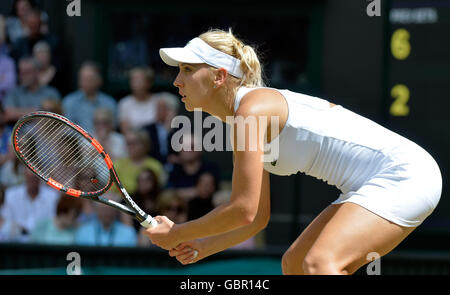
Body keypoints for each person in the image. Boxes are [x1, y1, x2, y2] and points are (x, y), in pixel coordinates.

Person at [144, 29, 442, 275]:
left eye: (187, 70)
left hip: (405, 174)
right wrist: (203, 246)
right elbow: (256, 218)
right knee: (295, 265)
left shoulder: (252, 111)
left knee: (319, 264)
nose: (176, 81)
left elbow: (241, 209)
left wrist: (178, 233)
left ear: (219, 76)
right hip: (376, 182)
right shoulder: (243, 119)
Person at [0, 167, 60, 242]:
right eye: (29, 178)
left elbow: (53, 222)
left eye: (35, 178)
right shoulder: (10, 195)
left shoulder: (52, 196)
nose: (32, 182)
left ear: (40, 178)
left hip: (43, 242)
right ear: (24, 176)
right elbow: (6, 221)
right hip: (15, 242)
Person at [62, 61, 116, 134]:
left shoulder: (109, 103)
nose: (84, 82)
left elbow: (113, 128)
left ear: (99, 81)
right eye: (82, 79)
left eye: (88, 79)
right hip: (77, 144)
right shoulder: (69, 101)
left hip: (103, 144)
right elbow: (67, 131)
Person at [3, 56, 60, 122]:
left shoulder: (51, 93)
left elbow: (57, 117)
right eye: (21, 72)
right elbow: (8, 114)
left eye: (27, 72)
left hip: (46, 131)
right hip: (19, 132)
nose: (23, 76)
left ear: (37, 72)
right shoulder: (13, 93)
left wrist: (19, 112)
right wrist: (40, 111)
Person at [167, 132, 219, 201]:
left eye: (192, 146)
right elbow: (167, 194)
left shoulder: (210, 168)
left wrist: (180, 193)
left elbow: (207, 192)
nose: (188, 149)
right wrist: (197, 191)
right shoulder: (172, 170)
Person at [114, 129, 166, 195]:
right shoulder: (118, 165)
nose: (130, 147)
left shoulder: (155, 166)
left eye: (133, 143)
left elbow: (160, 190)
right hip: (122, 203)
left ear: (144, 145)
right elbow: (112, 191)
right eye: (128, 144)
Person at [142, 93, 180, 167]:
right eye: (157, 108)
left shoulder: (181, 128)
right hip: (152, 166)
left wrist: (170, 131)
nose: (157, 111)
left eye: (161, 108)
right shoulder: (148, 129)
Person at [118, 66, 158, 134]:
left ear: (149, 82)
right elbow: (125, 131)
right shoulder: (124, 103)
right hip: (133, 142)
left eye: (139, 80)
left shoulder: (158, 101)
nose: (136, 84)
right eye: (133, 80)